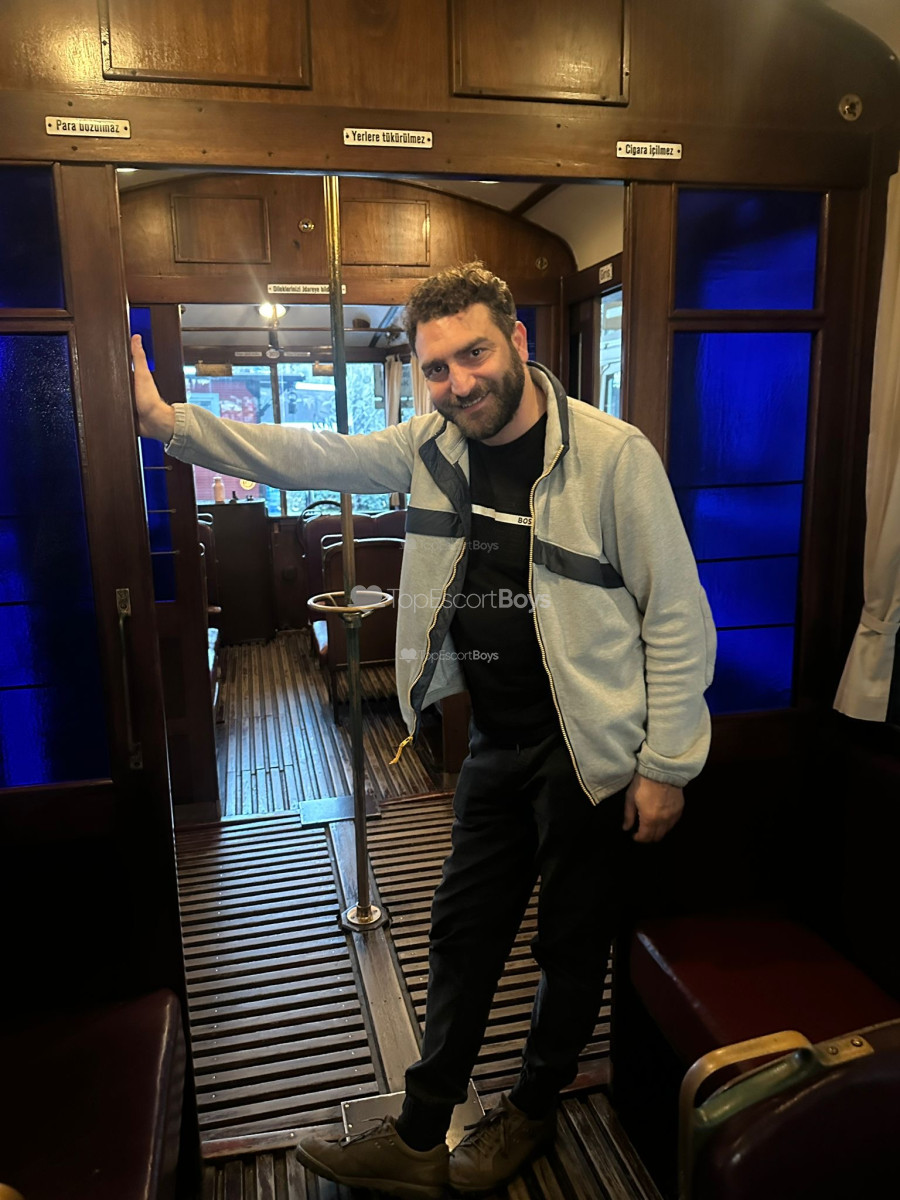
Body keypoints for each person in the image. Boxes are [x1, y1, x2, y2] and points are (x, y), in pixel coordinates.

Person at [132, 262, 715, 1200]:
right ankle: (419, 1129)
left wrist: (668, 765)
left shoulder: (614, 457)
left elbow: (678, 614)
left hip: (591, 753)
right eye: (437, 367)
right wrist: (171, 425)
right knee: (462, 931)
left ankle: (532, 1108)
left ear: (516, 341)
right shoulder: (434, 444)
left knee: (570, 945)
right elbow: (314, 453)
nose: (458, 383)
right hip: (494, 739)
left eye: (473, 355)